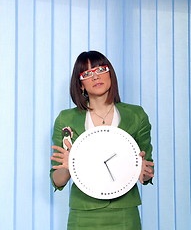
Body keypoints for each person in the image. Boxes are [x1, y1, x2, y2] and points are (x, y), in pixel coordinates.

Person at [50, 50, 154, 230]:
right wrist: (68, 167)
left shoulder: (136, 115)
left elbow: (147, 172)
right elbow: (57, 180)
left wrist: (143, 170)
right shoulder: (65, 119)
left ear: (110, 74)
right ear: (80, 84)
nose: (95, 76)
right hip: (83, 213)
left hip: (125, 213)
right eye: (87, 73)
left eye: (100, 69)